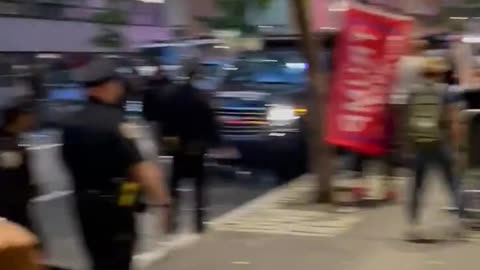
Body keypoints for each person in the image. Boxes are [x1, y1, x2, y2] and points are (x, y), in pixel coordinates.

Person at [62, 57, 170, 270]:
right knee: (119, 260)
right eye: (119, 86)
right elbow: (140, 169)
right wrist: (163, 203)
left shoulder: (71, 123)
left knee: (97, 258)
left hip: (84, 203)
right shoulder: (118, 123)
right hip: (117, 204)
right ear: (108, 87)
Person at [406, 56, 465, 239]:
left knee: (418, 184)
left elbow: (409, 119)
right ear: (439, 74)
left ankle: (415, 224)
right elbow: (454, 120)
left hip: (420, 142)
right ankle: (457, 221)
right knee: (452, 181)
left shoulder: (414, 92)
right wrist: (457, 146)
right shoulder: (446, 92)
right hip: (441, 142)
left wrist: (410, 142)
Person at [160, 61, 219, 233]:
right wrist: (212, 142)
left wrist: (167, 145)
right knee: (199, 184)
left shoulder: (173, 96)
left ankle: (171, 220)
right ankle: (199, 220)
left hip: (178, 146)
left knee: (176, 182)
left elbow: (167, 123)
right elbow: (210, 122)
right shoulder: (201, 97)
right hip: (196, 146)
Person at [0, 98, 36, 232]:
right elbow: (8, 184)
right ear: (20, 118)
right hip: (12, 211)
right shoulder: (8, 145)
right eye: (29, 116)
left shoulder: (11, 141)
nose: (32, 120)